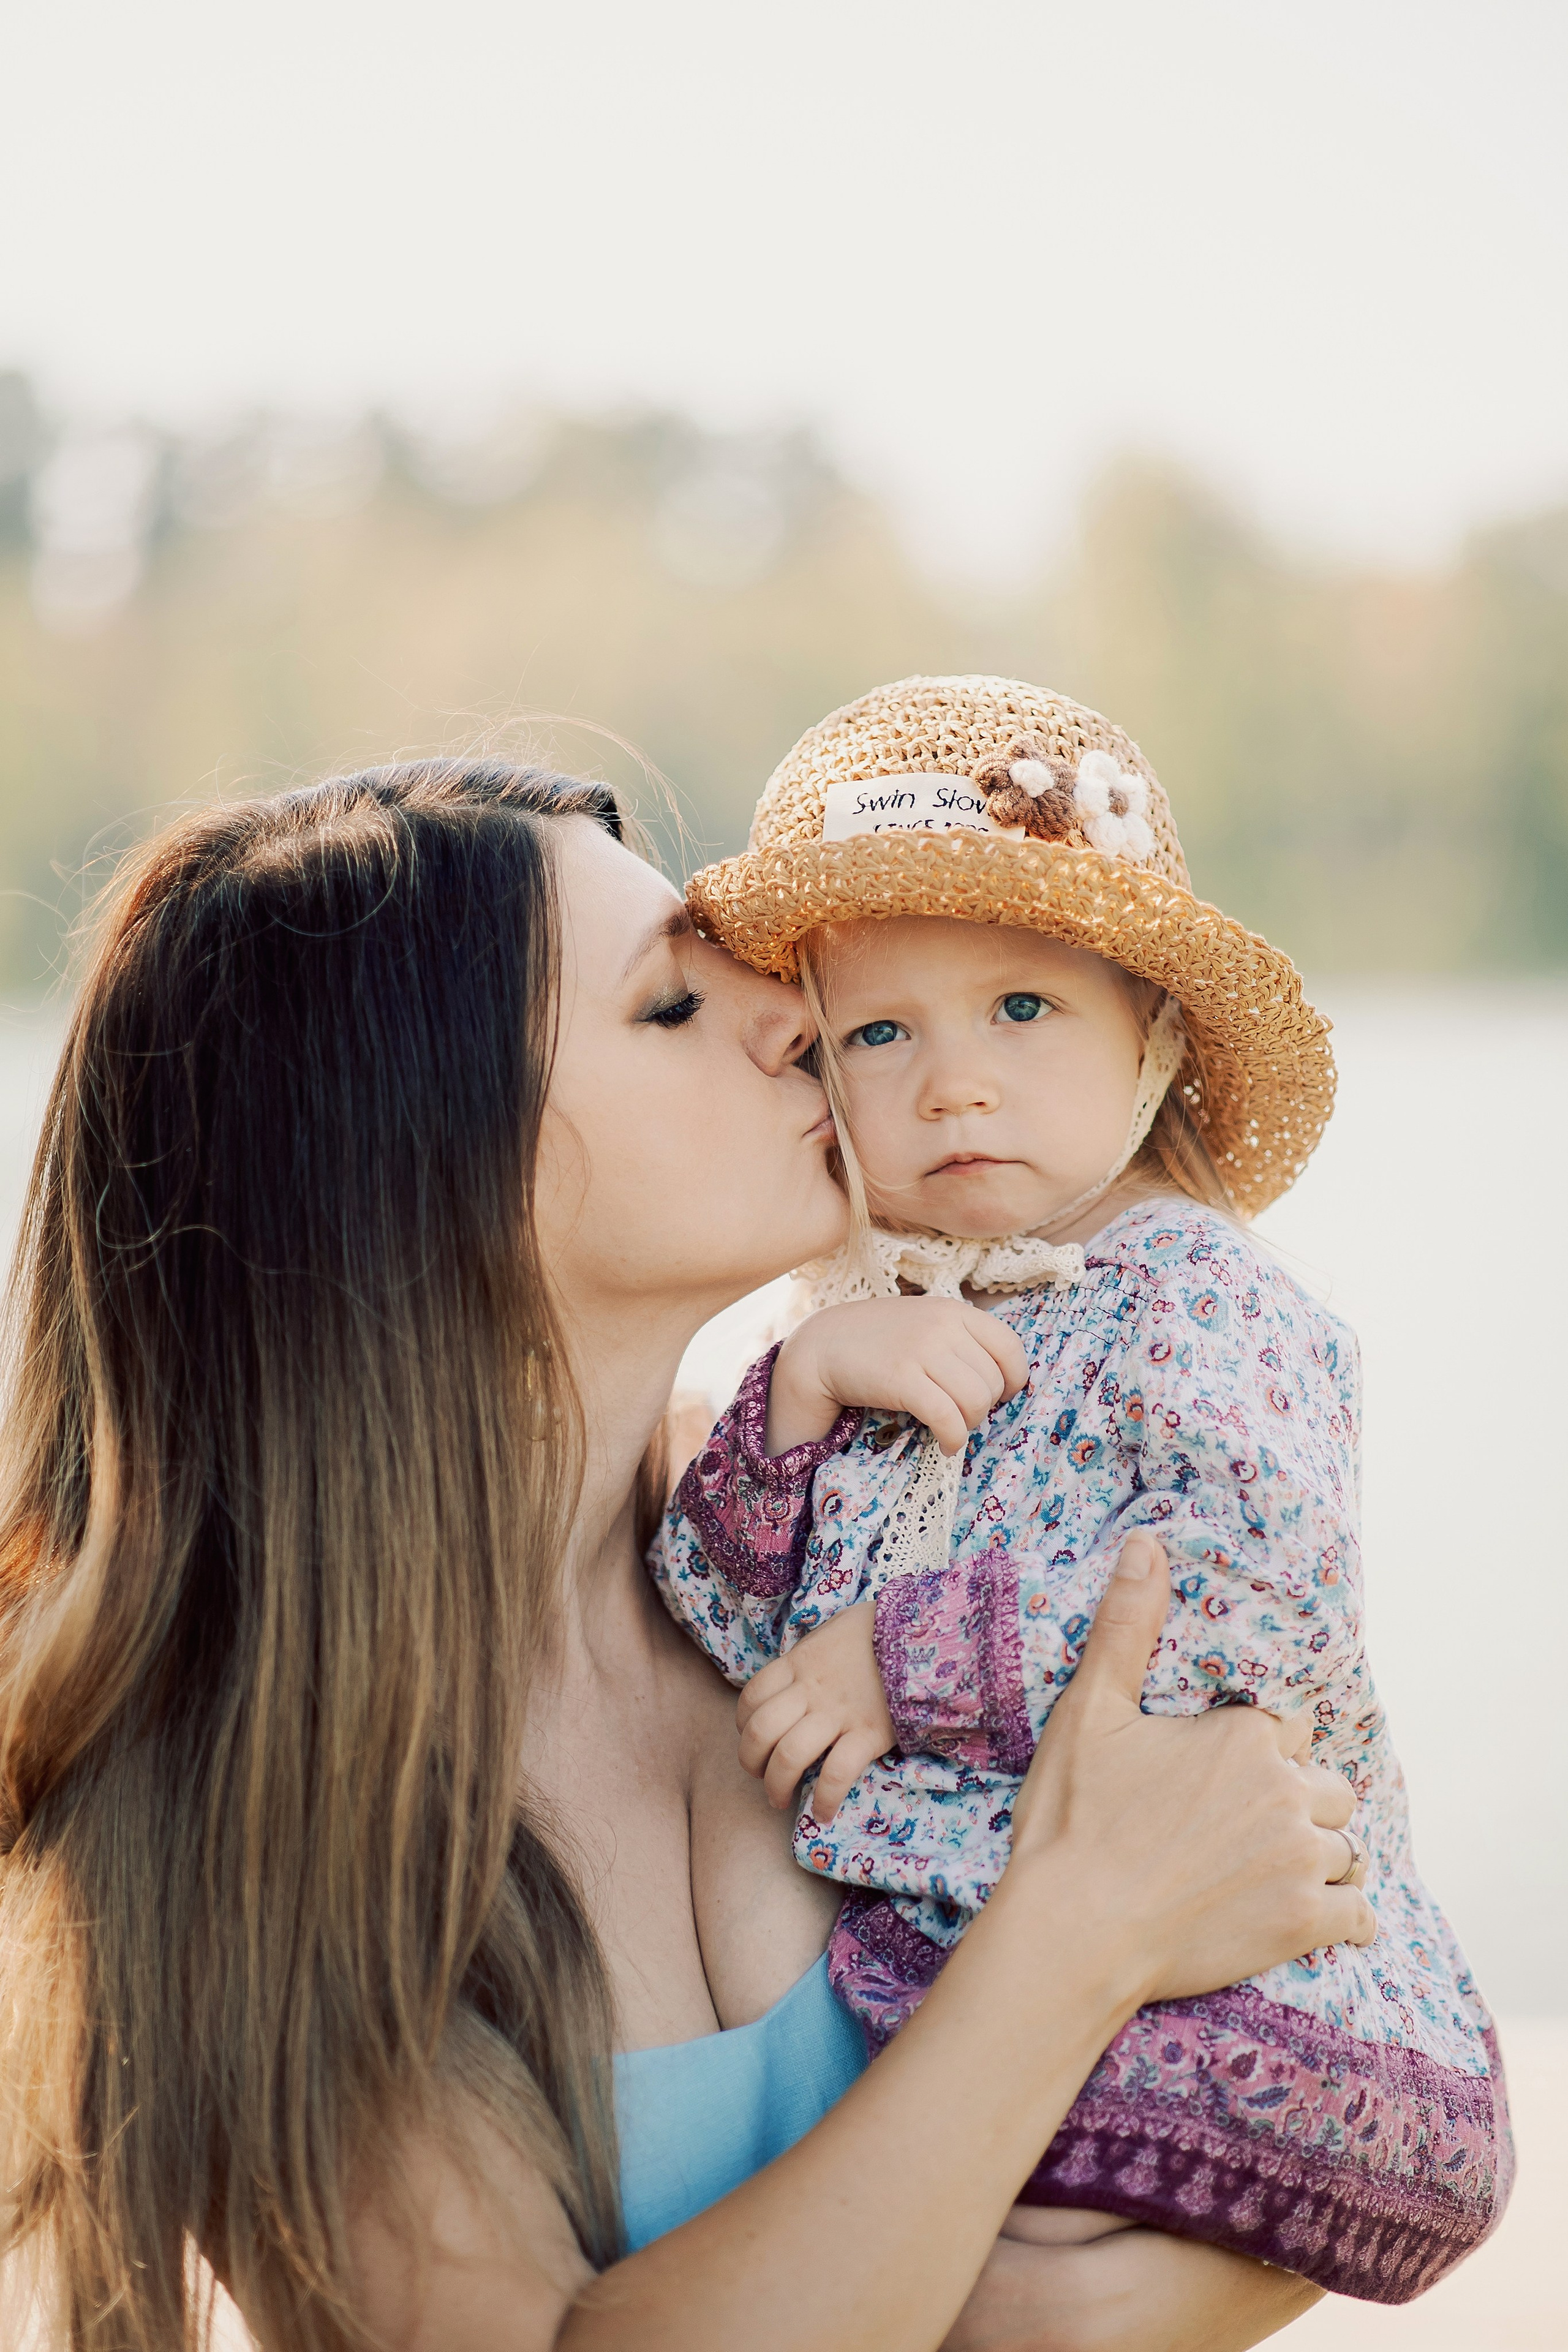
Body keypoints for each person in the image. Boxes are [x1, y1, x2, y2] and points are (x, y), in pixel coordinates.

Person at [0, 760, 1374, 2352]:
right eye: (669, 1006)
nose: (795, 1019)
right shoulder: (245, 1809)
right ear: (410, 1163)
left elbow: (1291, 2002)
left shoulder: (851, 1515)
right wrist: (1083, 1934)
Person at [657, 677, 1511, 2305]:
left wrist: (895, 1658)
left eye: (1022, 1011)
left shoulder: (1194, 1298)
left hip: (1236, 1968)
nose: (952, 1084)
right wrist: (804, 1390)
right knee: (947, 2237)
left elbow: (1249, 1601)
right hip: (982, 1947)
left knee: (1026, 2261)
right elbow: (710, 1608)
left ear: (1154, 1039)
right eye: (881, 1034)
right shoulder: (858, 1318)